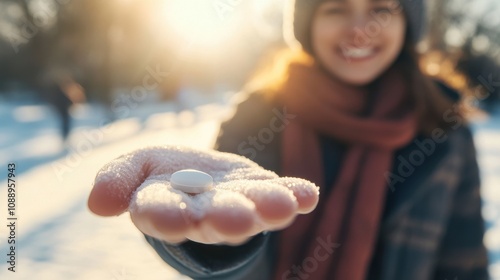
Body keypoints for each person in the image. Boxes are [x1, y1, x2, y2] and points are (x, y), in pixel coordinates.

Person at [87, 0, 490, 279]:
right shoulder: (259, 116)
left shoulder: (444, 126)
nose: (360, 27)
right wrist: (221, 247)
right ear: (307, 24)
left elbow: (464, 259)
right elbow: (217, 222)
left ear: (408, 24)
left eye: (382, 8)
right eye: (335, 7)